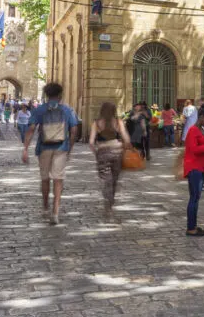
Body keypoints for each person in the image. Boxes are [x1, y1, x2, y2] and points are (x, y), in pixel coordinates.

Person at [22, 83, 80, 225]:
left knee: (45, 179)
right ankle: (55, 212)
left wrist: (25, 149)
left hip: (44, 147)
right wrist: (70, 147)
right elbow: (74, 131)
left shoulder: (40, 110)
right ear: (60, 95)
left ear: (47, 95)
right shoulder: (67, 110)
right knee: (58, 179)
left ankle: (45, 206)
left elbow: (31, 129)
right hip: (61, 147)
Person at [89, 102, 131, 214]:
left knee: (105, 179)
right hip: (117, 152)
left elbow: (91, 142)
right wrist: (125, 148)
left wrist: (96, 152)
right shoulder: (118, 122)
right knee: (114, 179)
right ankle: (111, 200)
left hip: (102, 153)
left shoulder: (96, 123)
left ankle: (108, 200)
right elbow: (126, 139)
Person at [183, 108, 204, 236]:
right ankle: (191, 228)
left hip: (199, 167)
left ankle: (193, 225)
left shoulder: (201, 130)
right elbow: (195, 149)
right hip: (194, 167)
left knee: (196, 197)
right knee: (194, 198)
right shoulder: (193, 130)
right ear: (202, 117)